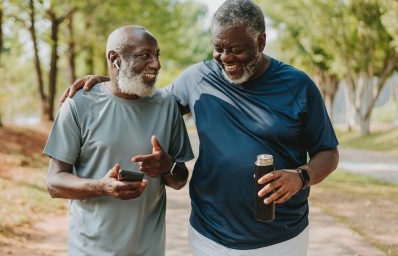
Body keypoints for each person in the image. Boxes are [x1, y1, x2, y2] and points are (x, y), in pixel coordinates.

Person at [61, 0, 339, 255]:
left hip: (282, 238)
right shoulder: (197, 78)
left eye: (236, 50)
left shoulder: (298, 86)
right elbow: (146, 99)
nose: (226, 58)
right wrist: (110, 81)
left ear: (261, 41)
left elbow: (328, 152)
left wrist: (301, 176)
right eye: (218, 48)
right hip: (210, 236)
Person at [44, 25, 194, 256]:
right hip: (90, 249)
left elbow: (179, 180)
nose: (156, 64)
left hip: (149, 250)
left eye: (157, 55)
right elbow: (54, 183)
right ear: (115, 59)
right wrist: (101, 187)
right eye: (145, 55)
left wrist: (168, 166)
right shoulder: (79, 104)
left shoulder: (166, 106)